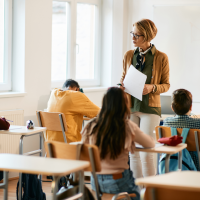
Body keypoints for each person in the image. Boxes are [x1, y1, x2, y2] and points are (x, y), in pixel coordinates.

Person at [82, 87, 155, 200]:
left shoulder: (91, 126)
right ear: (124, 104)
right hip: (119, 181)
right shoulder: (127, 126)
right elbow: (150, 143)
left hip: (95, 181)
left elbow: (84, 150)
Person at [120, 19, 170, 178]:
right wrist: (121, 86)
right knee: (133, 151)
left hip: (150, 108)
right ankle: (137, 190)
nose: (133, 38)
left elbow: (166, 85)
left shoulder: (161, 57)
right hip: (131, 107)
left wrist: (152, 87)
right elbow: (123, 77)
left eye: (137, 35)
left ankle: (150, 190)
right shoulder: (128, 55)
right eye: (132, 33)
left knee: (147, 152)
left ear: (147, 36)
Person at [46, 79, 100, 143]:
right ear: (77, 89)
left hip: (51, 144)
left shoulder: (53, 93)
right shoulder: (75, 95)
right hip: (70, 144)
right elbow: (98, 112)